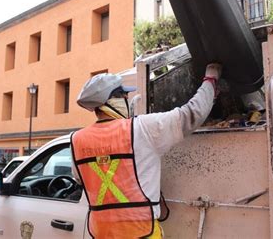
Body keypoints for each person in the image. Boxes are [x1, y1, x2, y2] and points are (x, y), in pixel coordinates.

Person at [71, 63, 222, 238]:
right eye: (124, 95)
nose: (128, 98)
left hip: (102, 234)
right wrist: (211, 79)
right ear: (113, 101)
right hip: (142, 233)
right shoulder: (141, 128)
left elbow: (82, 179)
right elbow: (192, 114)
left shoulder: (77, 140)